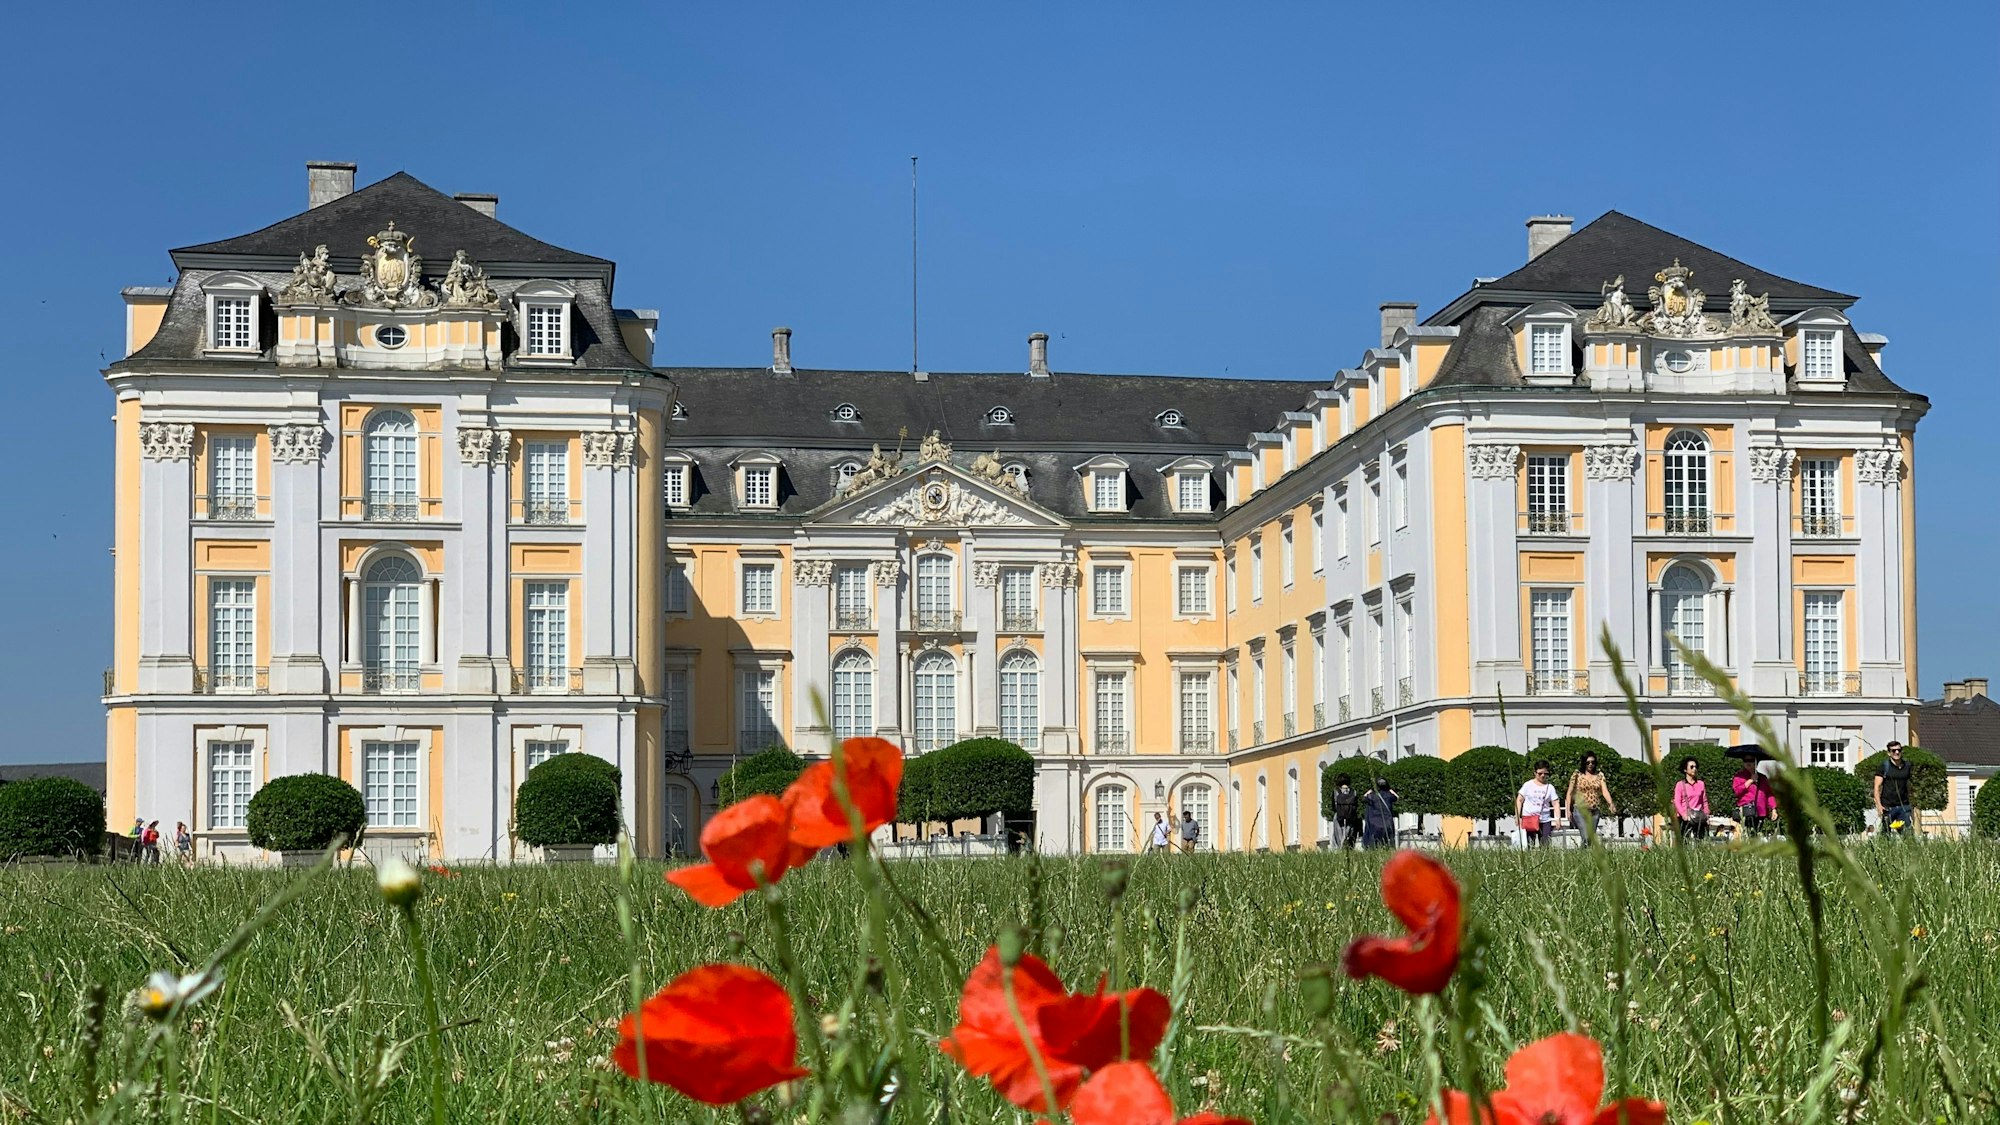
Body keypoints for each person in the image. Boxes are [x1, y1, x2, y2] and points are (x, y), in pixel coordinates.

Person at [1565, 751, 1618, 843]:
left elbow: (1604, 791)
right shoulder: (1577, 775)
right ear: (1584, 763)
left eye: (1593, 762)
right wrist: (1568, 810)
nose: (1590, 764)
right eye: (1588, 762)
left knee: (1589, 838)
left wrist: (1610, 803)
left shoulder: (1600, 775)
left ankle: (1585, 856)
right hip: (1580, 810)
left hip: (1594, 811)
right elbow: (1569, 793)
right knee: (1585, 836)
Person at [1875, 741, 1916, 838]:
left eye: (1899, 750)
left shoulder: (1908, 766)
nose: (1897, 752)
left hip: (1904, 806)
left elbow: (1910, 785)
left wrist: (1912, 803)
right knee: (1885, 835)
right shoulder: (1884, 766)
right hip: (1888, 807)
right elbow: (1877, 787)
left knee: (1907, 834)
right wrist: (1879, 805)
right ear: (1889, 753)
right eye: (1893, 751)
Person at [1515, 760, 1560, 848]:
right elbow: (1519, 800)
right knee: (1529, 844)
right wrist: (1517, 816)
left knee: (1545, 845)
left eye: (1545, 773)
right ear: (1535, 773)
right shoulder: (1527, 785)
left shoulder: (1550, 787)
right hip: (1529, 818)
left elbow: (1555, 803)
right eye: (1540, 773)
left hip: (1545, 820)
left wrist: (1557, 818)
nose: (1543, 775)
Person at [1672, 756, 1710, 840]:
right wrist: (1684, 815)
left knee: (1700, 840)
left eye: (1695, 767)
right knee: (1684, 840)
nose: (1694, 769)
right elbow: (1677, 801)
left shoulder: (1701, 784)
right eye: (1691, 767)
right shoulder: (1680, 784)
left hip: (1698, 816)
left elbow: (1704, 801)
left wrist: (1707, 815)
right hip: (1685, 818)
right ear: (1685, 770)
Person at [1732, 763, 1776, 833]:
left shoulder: (1763, 777)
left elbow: (1769, 793)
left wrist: (1773, 808)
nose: (1750, 765)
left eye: (1752, 762)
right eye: (1747, 762)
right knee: (1747, 832)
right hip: (1746, 810)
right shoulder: (1739, 776)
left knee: (1757, 832)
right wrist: (1750, 781)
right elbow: (1736, 791)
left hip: (1760, 811)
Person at [1360, 777, 1399, 848]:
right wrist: (1390, 789)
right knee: (1387, 844)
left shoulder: (1372, 796)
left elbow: (1364, 797)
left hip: (1374, 824)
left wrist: (1371, 789)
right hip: (1387, 823)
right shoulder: (1389, 795)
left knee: (1373, 845)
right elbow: (1397, 797)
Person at [1329, 774, 1362, 850]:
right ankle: (1349, 849)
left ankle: (1340, 850)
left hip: (1339, 817)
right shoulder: (1354, 792)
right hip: (1351, 817)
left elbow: (1333, 806)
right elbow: (1356, 805)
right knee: (1349, 835)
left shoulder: (1336, 791)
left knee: (1338, 837)